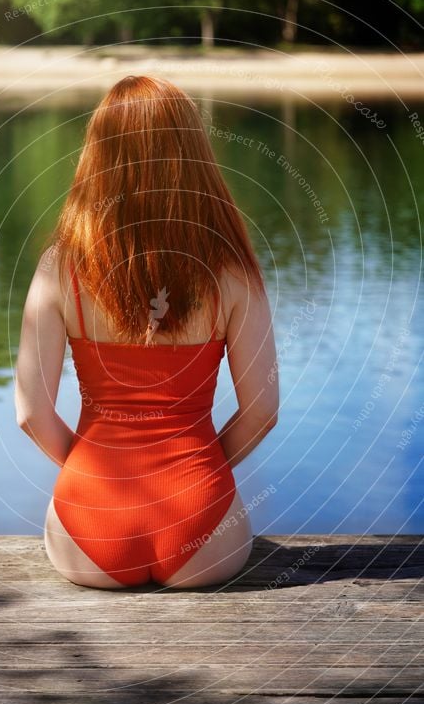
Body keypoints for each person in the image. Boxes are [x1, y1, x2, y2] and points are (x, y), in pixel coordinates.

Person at [15, 75, 278, 590]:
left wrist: (92, 467)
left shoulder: (60, 268)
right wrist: (195, 472)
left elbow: (30, 414)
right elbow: (263, 412)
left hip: (88, 522)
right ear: (192, 155)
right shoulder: (232, 273)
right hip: (203, 528)